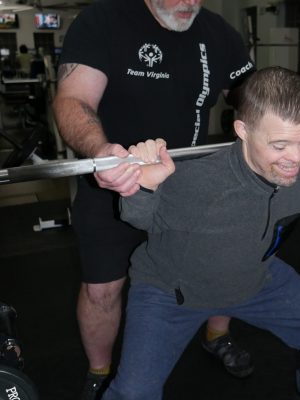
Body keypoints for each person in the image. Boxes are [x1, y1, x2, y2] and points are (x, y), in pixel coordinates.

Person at [102, 66, 300, 400]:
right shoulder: (196, 180)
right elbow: (137, 220)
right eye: (281, 144)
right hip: (173, 292)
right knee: (133, 394)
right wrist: (143, 185)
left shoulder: (292, 168)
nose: (295, 158)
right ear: (243, 130)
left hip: (255, 279)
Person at [52, 0, 256, 398]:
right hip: (116, 179)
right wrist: (101, 153)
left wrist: (296, 119)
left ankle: (216, 335)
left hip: (187, 183)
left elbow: (254, 94)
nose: (188, 3)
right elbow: (72, 99)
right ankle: (100, 370)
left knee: (221, 262)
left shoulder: (216, 32)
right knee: (102, 290)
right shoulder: (103, 20)